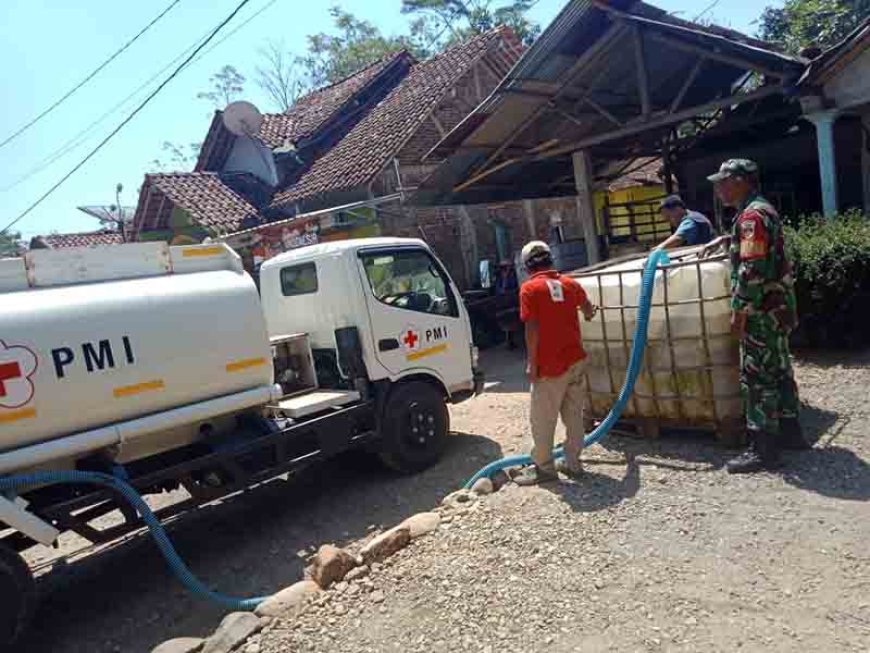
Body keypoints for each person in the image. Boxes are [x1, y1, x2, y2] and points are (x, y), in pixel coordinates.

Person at [706, 159, 808, 474]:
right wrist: (729, 240)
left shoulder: (751, 217)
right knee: (779, 368)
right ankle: (791, 432)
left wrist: (739, 311)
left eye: (724, 182)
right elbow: (759, 250)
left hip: (761, 310)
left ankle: (763, 450)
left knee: (757, 376)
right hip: (778, 308)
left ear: (741, 181)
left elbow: (752, 270)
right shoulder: (760, 211)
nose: (719, 188)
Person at [513, 241, 597, 485]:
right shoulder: (570, 284)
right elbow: (589, 309)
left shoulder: (529, 289)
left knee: (542, 419)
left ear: (528, 267)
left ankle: (545, 469)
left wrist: (532, 361)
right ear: (551, 260)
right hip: (576, 360)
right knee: (573, 415)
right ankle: (573, 463)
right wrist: (590, 313)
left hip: (550, 367)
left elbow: (532, 327)